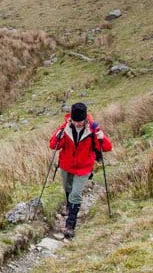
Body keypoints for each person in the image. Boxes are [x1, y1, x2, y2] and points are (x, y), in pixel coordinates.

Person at [48, 102, 112, 239]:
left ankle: (70, 225)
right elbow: (53, 145)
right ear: (71, 118)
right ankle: (69, 207)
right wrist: (58, 135)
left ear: (85, 119)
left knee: (75, 194)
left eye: (80, 121)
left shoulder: (93, 129)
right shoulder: (65, 128)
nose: (78, 124)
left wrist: (102, 137)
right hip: (66, 165)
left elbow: (107, 147)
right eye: (75, 121)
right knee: (67, 188)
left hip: (84, 167)